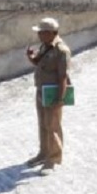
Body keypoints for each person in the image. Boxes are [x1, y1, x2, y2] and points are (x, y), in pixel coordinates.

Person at [25, 17, 71, 173]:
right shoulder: (45, 46)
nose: (39, 36)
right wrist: (31, 58)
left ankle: (52, 160)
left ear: (51, 33)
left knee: (52, 126)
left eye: (42, 33)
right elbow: (40, 64)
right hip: (41, 91)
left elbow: (62, 76)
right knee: (43, 124)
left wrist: (60, 98)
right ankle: (43, 153)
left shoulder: (61, 50)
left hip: (53, 93)